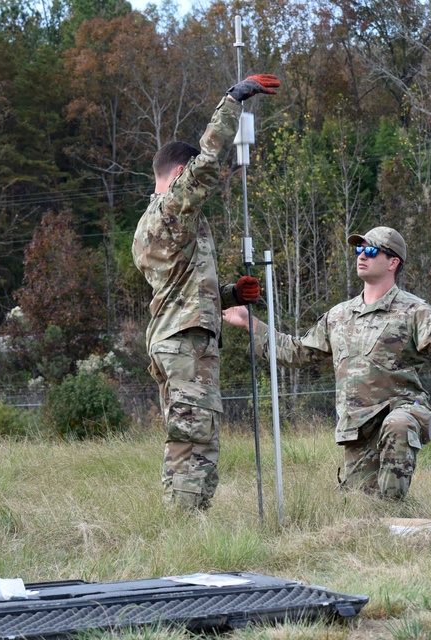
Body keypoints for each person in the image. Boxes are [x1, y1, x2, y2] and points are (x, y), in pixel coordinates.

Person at [222, 226, 431, 500]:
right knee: (360, 506)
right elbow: (296, 352)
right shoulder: (340, 315)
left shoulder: (414, 311)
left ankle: (394, 515)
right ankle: (388, 518)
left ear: (393, 262)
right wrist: (251, 324)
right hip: (357, 426)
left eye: (370, 250)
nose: (362, 256)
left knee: (398, 427)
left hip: (401, 410)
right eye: (359, 249)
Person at [132, 74, 280, 510]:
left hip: (177, 337)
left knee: (192, 434)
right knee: (194, 438)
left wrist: (231, 294)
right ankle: (184, 521)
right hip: (183, 344)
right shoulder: (170, 209)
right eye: (188, 177)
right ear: (178, 174)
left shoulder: (153, 224)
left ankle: (186, 520)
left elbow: (182, 288)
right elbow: (209, 160)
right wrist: (234, 100)